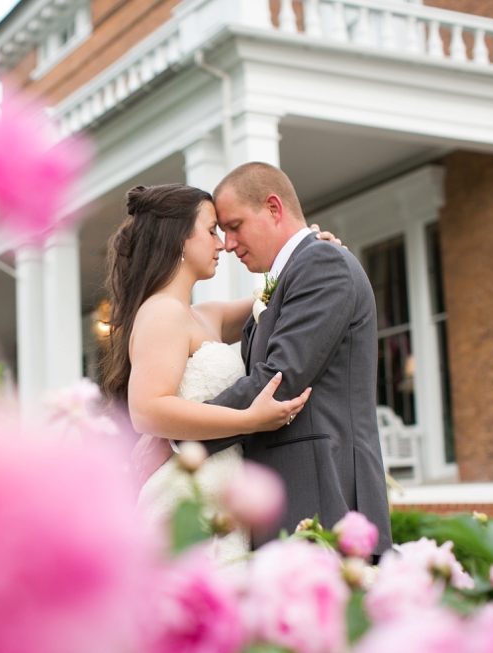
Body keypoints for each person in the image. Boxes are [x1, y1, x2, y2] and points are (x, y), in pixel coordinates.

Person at [103, 183, 319, 562]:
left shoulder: (205, 315)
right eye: (211, 231)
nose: (222, 244)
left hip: (220, 496)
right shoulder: (162, 313)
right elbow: (147, 410)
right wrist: (247, 419)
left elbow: (277, 295)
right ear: (178, 241)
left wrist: (309, 253)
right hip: (188, 499)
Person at [202, 162, 392, 555]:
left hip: (324, 499)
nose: (229, 243)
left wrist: (181, 431)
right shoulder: (295, 273)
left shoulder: (322, 264)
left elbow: (278, 381)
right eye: (222, 233)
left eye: (235, 226)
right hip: (295, 499)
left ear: (274, 208)